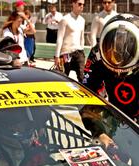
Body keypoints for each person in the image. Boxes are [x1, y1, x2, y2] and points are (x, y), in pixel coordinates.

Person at [82, 13, 139, 148]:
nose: (118, 66)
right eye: (112, 47)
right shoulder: (97, 55)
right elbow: (88, 96)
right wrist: (99, 132)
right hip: (116, 118)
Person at [54, 0, 85, 82]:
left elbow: (82, 37)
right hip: (66, 53)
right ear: (73, 4)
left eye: (83, 4)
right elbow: (59, 38)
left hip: (79, 53)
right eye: (79, 4)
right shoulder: (65, 19)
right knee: (62, 78)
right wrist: (56, 56)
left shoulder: (82, 20)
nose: (81, 6)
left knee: (83, 78)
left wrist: (82, 50)